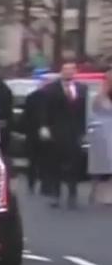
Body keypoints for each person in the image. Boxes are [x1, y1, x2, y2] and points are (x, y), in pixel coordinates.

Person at [39, 61, 88, 209]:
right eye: (66, 69)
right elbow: (44, 109)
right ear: (61, 71)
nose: (68, 72)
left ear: (75, 72)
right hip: (56, 131)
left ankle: (72, 193)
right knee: (55, 164)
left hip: (75, 132)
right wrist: (44, 126)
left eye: (71, 69)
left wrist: (84, 131)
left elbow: (84, 112)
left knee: (74, 164)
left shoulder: (82, 88)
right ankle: (56, 194)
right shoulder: (50, 89)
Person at [88, 69, 112, 204]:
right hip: (102, 135)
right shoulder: (99, 96)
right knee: (102, 166)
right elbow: (96, 111)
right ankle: (97, 192)